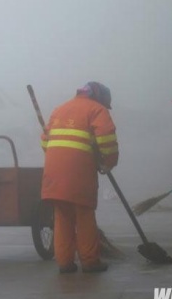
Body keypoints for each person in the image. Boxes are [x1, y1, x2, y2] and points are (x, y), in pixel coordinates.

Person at [41, 81, 119, 273]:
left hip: (53, 173)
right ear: (99, 97)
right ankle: (90, 261)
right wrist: (108, 163)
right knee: (84, 215)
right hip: (79, 173)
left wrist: (58, 158)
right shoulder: (97, 110)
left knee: (62, 216)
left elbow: (45, 140)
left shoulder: (59, 109)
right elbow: (107, 140)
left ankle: (65, 263)